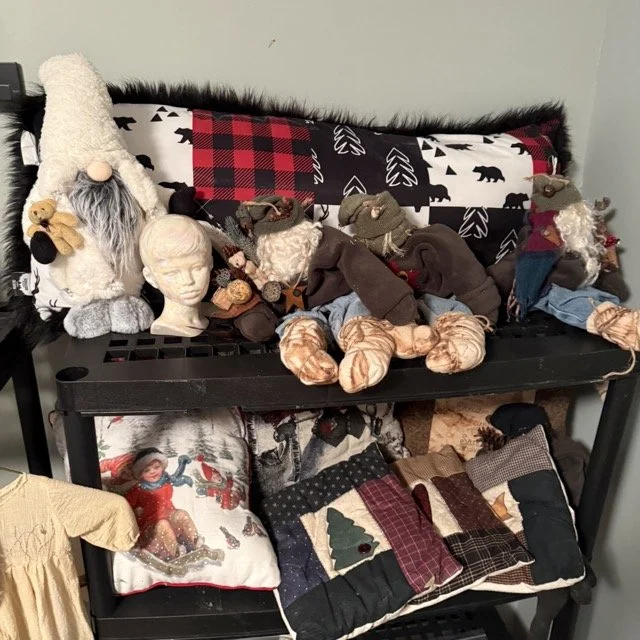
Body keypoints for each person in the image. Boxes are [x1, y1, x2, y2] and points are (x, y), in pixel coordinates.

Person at [125, 448, 202, 561]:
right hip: (152, 530)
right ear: (140, 474)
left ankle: (194, 540)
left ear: (162, 467)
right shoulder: (139, 490)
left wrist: (182, 466)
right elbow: (125, 505)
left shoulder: (165, 482)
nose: (152, 472)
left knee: (181, 514)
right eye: (147, 470)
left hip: (171, 522)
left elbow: (175, 477)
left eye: (156, 467)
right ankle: (176, 551)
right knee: (163, 524)